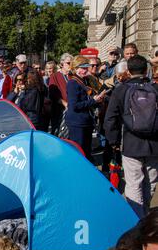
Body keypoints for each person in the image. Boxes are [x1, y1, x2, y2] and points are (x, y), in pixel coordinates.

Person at [104, 55, 158, 218]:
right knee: (150, 184)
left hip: (130, 144)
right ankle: (145, 215)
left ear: (128, 71)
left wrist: (113, 142)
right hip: (154, 145)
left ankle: (137, 220)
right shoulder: (155, 89)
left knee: (134, 185)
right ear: (146, 70)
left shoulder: (121, 90)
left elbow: (110, 118)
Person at [66, 56, 106, 163]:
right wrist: (94, 100)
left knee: (87, 150)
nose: (85, 70)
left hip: (86, 120)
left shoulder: (85, 80)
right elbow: (74, 106)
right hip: (77, 122)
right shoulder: (72, 83)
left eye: (86, 68)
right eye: (82, 68)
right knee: (79, 151)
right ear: (75, 68)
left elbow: (99, 88)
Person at [49, 53, 73, 136]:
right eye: (68, 63)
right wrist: (64, 103)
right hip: (59, 110)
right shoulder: (55, 76)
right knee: (58, 133)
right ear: (62, 64)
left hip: (72, 109)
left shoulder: (73, 76)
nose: (70, 65)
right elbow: (53, 94)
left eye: (72, 63)